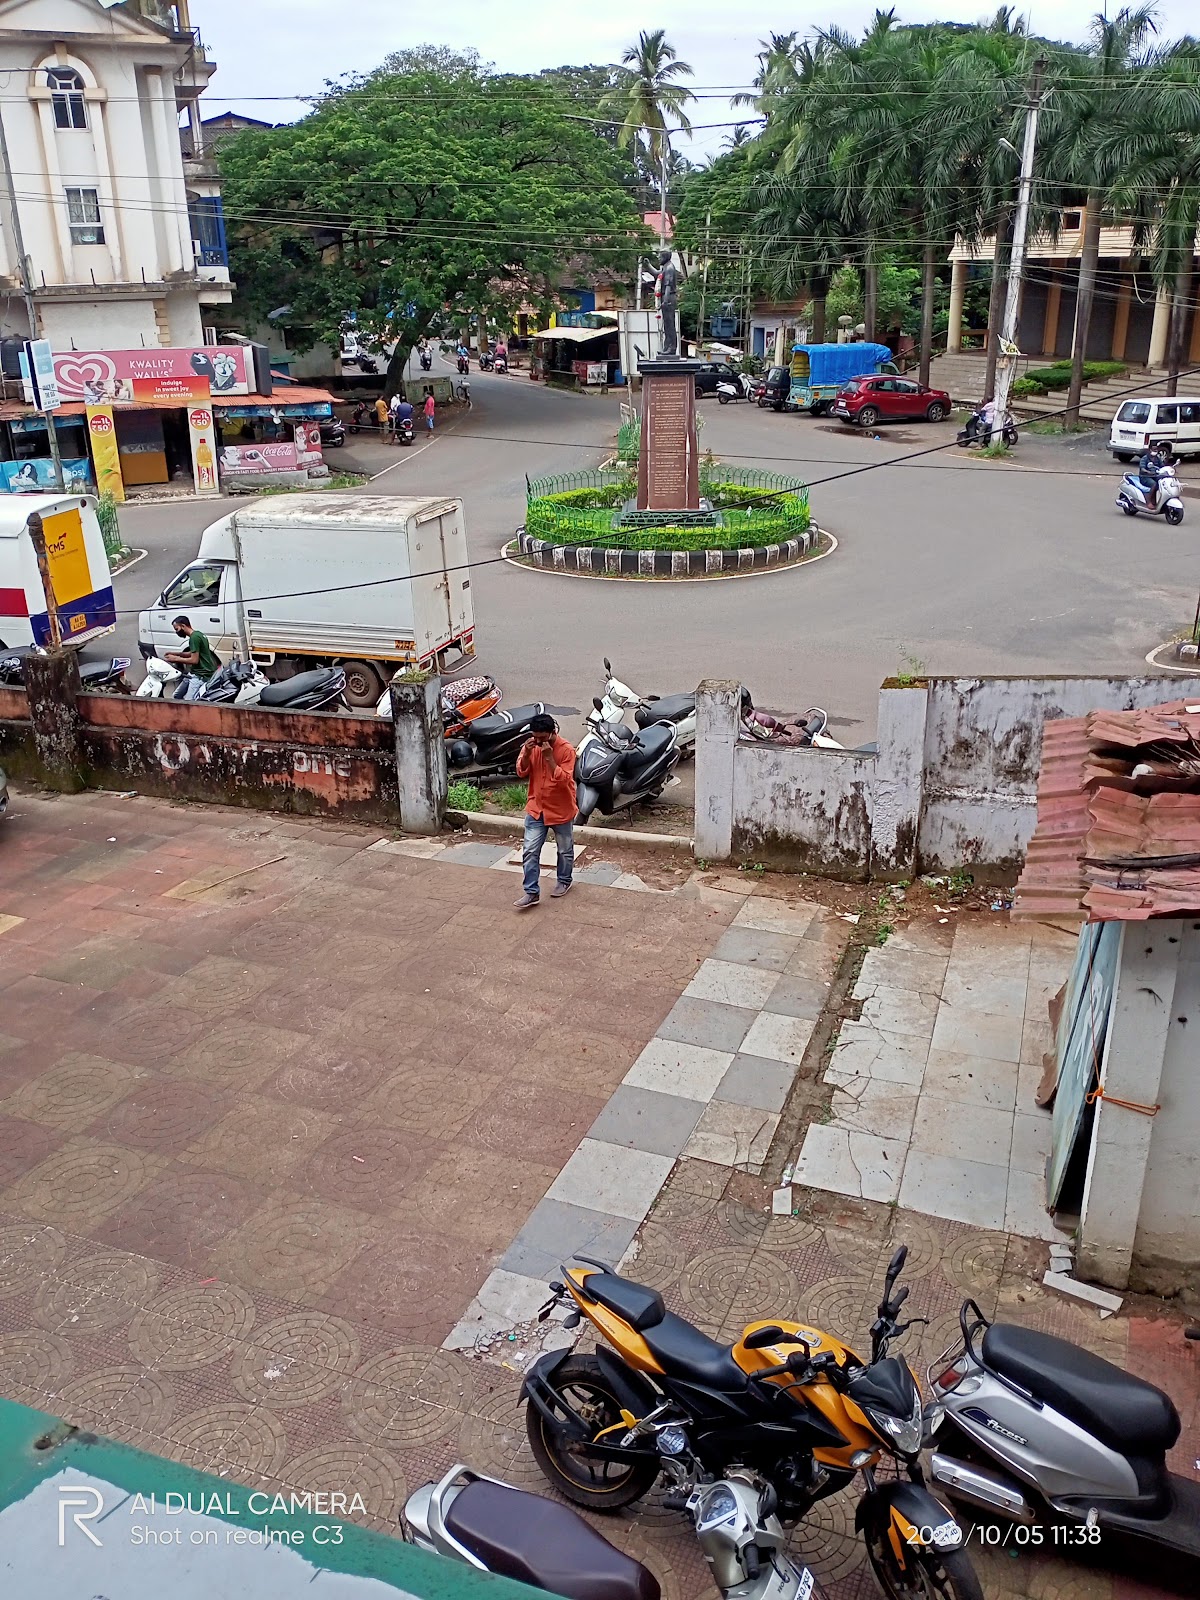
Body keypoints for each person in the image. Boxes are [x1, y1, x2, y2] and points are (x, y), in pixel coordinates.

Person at [513, 713, 576, 909]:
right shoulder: (531, 746)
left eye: (542, 738)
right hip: (536, 808)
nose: (538, 741)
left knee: (564, 849)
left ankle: (564, 880)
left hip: (560, 808)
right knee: (530, 850)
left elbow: (565, 779)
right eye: (535, 737)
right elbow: (521, 771)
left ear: (552, 732)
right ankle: (531, 892)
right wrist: (526, 752)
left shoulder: (566, 750)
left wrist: (550, 758)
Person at [164, 614, 219, 701]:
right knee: (176, 695)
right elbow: (193, 653)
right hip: (194, 673)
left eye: (177, 629)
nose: (177, 632)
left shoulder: (194, 638)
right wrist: (176, 654)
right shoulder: (199, 634)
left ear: (183, 626)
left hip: (201, 675)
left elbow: (194, 660)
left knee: (189, 701)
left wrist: (175, 659)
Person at [1138, 440, 1167, 504]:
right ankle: (1148, 501)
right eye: (1153, 449)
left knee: (1162, 483)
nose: (1155, 451)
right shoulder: (1144, 458)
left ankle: (1156, 501)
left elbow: (1162, 466)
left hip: (1154, 476)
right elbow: (1142, 469)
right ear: (1150, 449)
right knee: (1154, 484)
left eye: (1156, 449)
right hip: (1145, 477)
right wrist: (1149, 472)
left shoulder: (1157, 458)